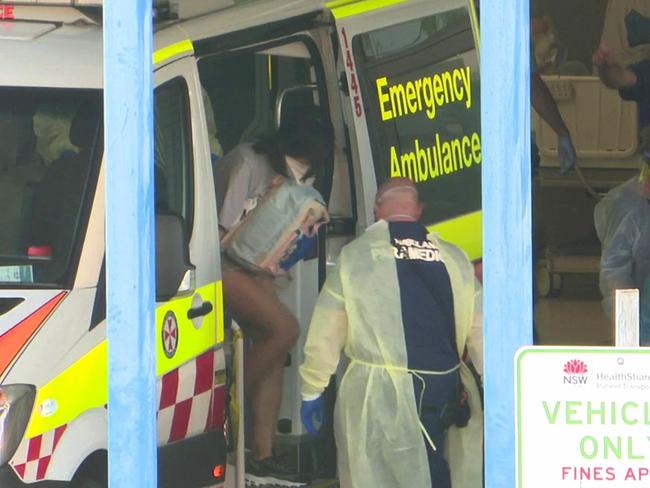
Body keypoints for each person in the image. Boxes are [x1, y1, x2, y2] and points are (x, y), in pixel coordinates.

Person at [299, 178, 483, 488]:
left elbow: (326, 330)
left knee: (380, 473)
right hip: (444, 386)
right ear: (419, 210)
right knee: (432, 464)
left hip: (377, 391)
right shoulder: (454, 257)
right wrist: (495, 383)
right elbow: (480, 328)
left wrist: (312, 389)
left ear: (376, 209)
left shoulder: (355, 258)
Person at [214, 108, 333, 485]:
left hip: (253, 266)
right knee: (284, 329)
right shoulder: (247, 162)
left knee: (275, 343)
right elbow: (217, 227)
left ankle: (262, 453)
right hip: (218, 262)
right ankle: (225, 408)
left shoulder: (297, 171)